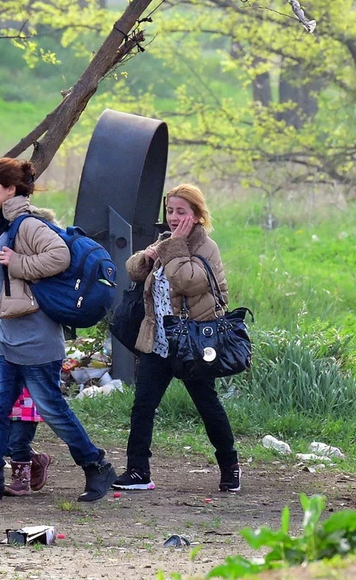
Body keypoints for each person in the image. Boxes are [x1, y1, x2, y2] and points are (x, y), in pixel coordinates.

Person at [0, 157, 116, 501]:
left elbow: (59, 256)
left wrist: (18, 263)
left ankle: (96, 466)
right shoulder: (0, 225)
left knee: (53, 409)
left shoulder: (28, 224)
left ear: (11, 189)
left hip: (36, 337)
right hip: (6, 335)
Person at [111, 184, 242, 493]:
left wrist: (175, 247)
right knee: (143, 405)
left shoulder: (205, 246)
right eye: (169, 211)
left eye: (181, 212)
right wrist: (148, 254)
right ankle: (137, 470)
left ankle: (230, 465)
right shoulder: (167, 242)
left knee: (207, 405)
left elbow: (187, 281)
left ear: (196, 216)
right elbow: (133, 272)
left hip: (192, 344)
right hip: (159, 341)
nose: (173, 217)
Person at [0, 385, 53, 496]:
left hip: (26, 407)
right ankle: (36, 460)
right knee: (4, 443)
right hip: (4, 405)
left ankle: (22, 482)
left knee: (17, 443)